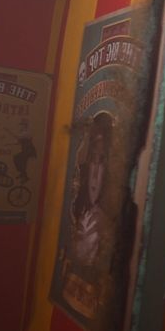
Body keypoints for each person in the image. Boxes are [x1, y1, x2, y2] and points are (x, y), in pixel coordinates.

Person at [69, 113, 112, 267]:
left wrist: (101, 211)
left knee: (93, 247)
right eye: (95, 148)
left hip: (97, 217)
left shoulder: (108, 174)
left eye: (101, 149)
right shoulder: (82, 169)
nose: (97, 152)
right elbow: (77, 192)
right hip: (82, 215)